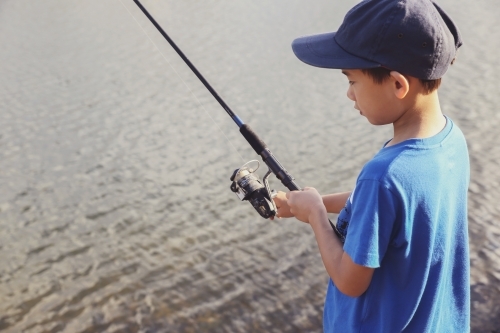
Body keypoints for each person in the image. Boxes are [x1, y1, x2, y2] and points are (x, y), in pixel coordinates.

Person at [272, 0, 470, 331]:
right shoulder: (450, 140)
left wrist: (316, 218)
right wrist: (313, 203)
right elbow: (392, 205)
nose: (349, 95)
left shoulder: (383, 175)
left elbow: (351, 280)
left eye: (352, 81)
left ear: (397, 84)